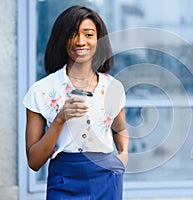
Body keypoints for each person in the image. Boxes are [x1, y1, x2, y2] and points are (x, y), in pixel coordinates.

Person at [23, 5, 129, 200]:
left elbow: (120, 129)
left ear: (98, 40)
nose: (81, 42)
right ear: (62, 40)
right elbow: (34, 161)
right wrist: (60, 118)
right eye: (73, 34)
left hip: (107, 177)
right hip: (65, 178)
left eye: (88, 34)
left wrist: (122, 157)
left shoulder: (113, 87)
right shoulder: (42, 90)